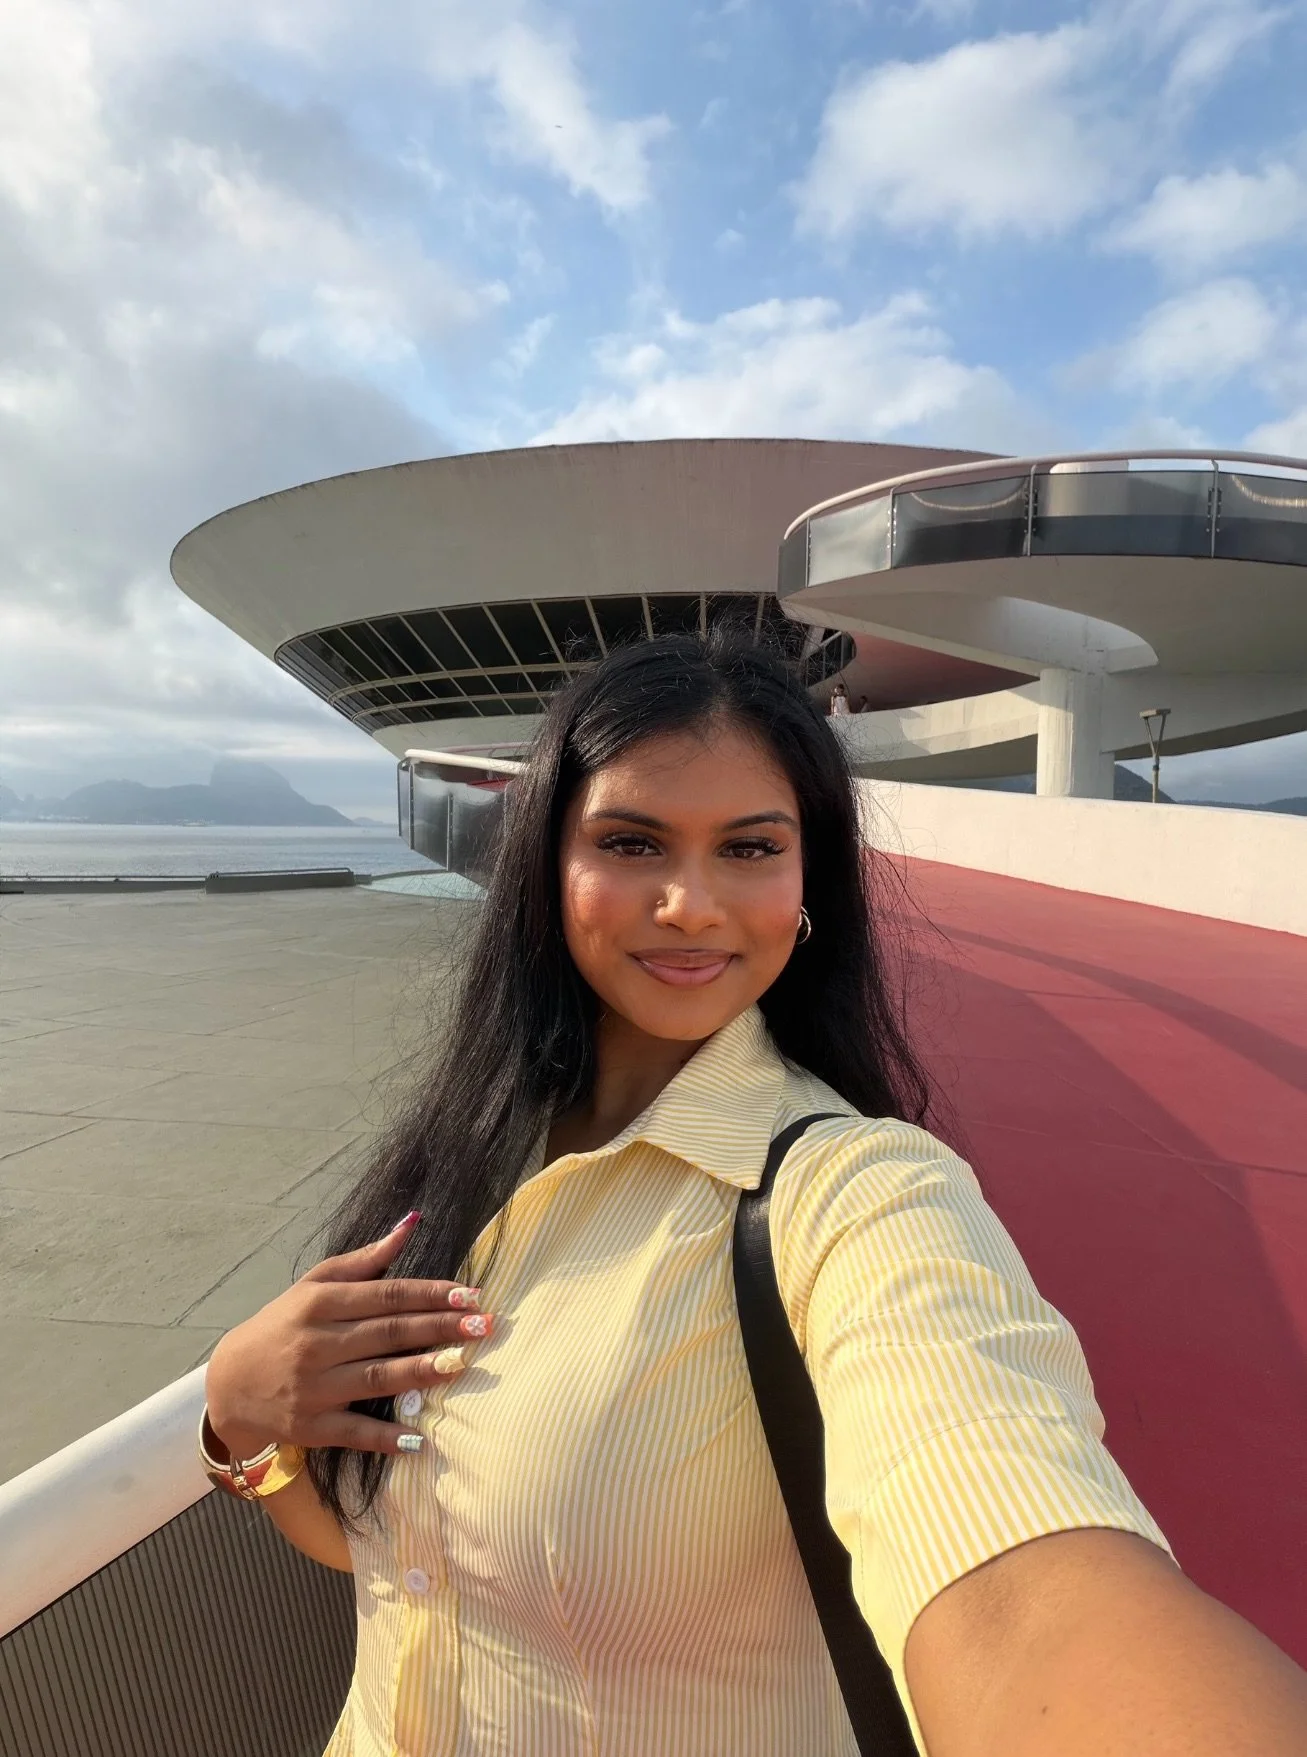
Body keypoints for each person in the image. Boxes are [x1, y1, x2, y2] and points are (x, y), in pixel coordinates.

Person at [203, 635, 1307, 1756]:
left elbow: (1023, 1598)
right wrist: (238, 1416)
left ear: (806, 881)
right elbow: (402, 1558)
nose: (689, 903)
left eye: (747, 848)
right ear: (547, 864)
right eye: (631, 842)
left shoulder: (855, 1194)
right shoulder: (474, 1152)